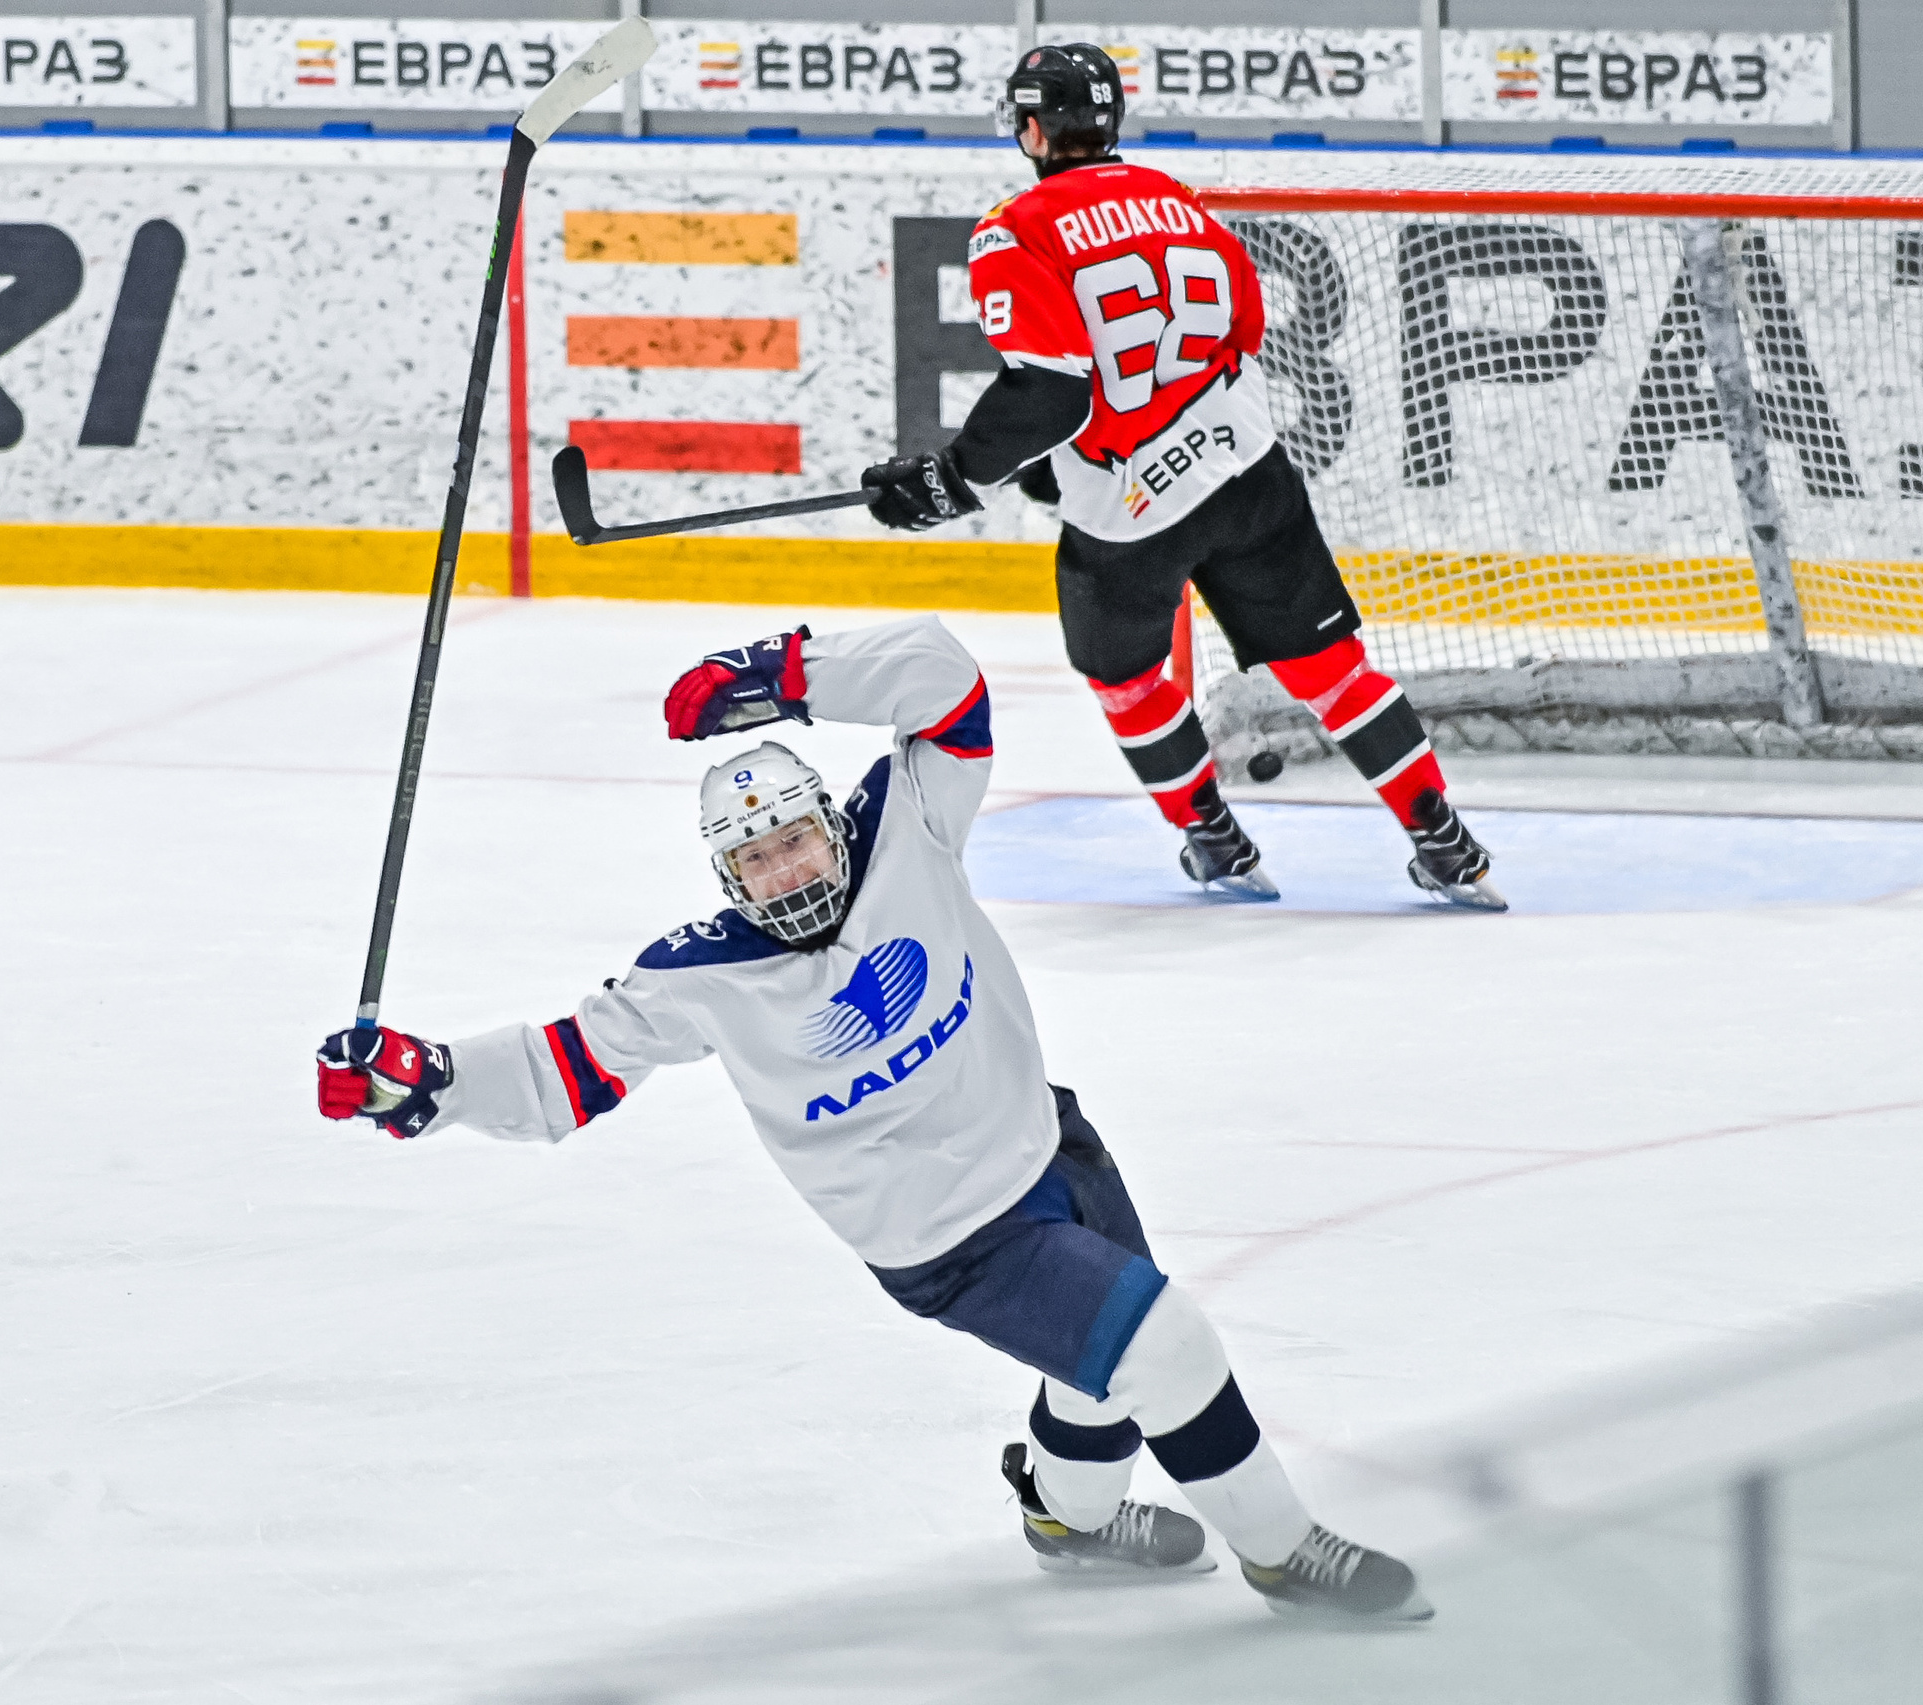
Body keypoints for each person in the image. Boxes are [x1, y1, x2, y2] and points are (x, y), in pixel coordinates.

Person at [316, 615, 1430, 1620]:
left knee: (1106, 1383)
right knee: (1165, 1345)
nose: (783, 867)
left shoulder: (906, 822)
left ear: (828, 825)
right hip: (952, 1242)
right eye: (753, 858)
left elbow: (946, 681)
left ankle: (1068, 1521)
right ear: (724, 876)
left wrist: (782, 672)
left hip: (1049, 1144)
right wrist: (424, 1077)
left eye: (794, 836)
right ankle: (1286, 1555)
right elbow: (563, 1073)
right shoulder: (700, 977)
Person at [860, 43, 1505, 912]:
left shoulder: (1016, 228)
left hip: (1127, 508)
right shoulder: (1179, 198)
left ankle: (1215, 840)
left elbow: (1052, 388)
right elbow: (1242, 326)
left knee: (1126, 677)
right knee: (1332, 667)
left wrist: (957, 476)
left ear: (1030, 128)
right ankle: (1446, 842)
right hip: (1245, 468)